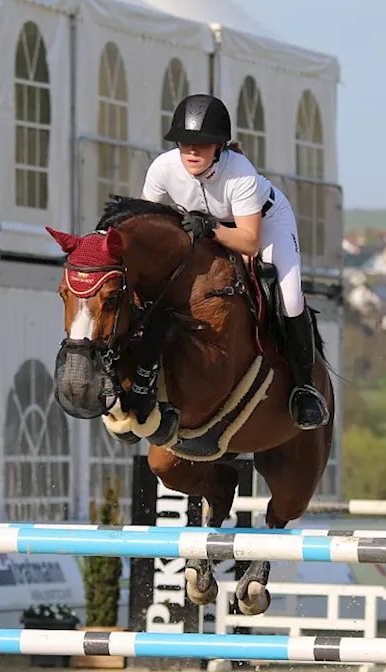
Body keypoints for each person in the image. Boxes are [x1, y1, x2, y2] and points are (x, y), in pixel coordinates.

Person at [140, 93, 329, 431]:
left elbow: (249, 242)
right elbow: (144, 222)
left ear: (220, 146)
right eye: (185, 143)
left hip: (264, 225)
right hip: (206, 227)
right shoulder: (163, 168)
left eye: (202, 144)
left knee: (290, 297)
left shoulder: (240, 173)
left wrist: (211, 228)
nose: (192, 152)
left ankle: (304, 387)